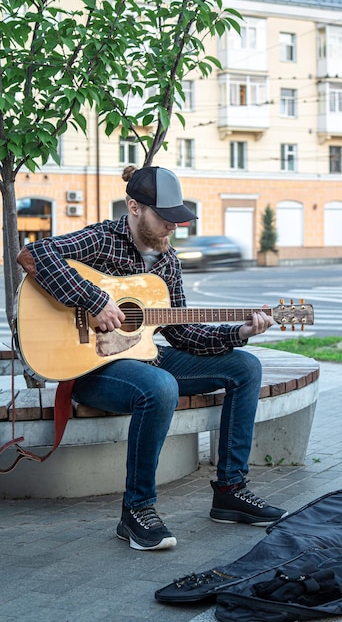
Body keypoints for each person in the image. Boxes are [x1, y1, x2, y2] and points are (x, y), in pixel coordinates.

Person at [16, 166, 287, 551]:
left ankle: (230, 491)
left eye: (178, 219)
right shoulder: (101, 240)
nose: (172, 228)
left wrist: (239, 333)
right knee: (161, 387)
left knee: (245, 367)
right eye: (165, 219)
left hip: (147, 358)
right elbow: (33, 254)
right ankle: (137, 511)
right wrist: (93, 300)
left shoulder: (168, 262)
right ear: (134, 207)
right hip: (93, 369)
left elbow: (183, 333)